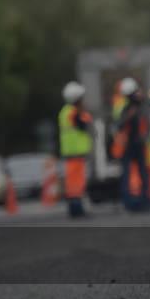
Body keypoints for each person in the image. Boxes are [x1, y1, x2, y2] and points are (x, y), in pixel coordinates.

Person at [111, 78, 150, 211]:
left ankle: (144, 200)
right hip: (128, 145)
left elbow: (146, 125)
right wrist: (129, 116)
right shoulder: (125, 108)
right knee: (128, 175)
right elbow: (119, 125)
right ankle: (130, 202)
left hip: (138, 144)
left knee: (141, 173)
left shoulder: (139, 107)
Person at [58, 81, 93, 218]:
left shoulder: (65, 111)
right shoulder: (73, 112)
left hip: (71, 152)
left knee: (73, 182)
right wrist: (84, 114)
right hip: (75, 152)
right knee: (76, 182)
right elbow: (84, 125)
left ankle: (75, 208)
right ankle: (76, 209)